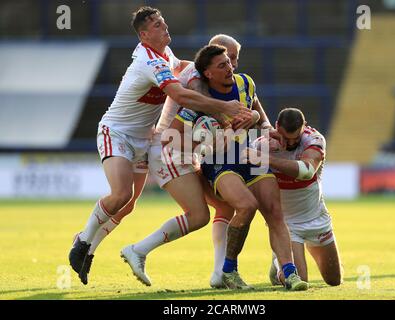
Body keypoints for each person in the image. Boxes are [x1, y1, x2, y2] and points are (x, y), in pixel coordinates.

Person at [68, 6, 250, 285]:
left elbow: (179, 67)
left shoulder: (164, 56)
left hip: (145, 138)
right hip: (117, 132)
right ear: (144, 34)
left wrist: (207, 68)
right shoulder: (148, 61)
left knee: (127, 205)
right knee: (120, 195)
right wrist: (223, 105)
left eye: (163, 22)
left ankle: (88, 250)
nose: (164, 26)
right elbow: (179, 93)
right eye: (156, 25)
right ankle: (83, 241)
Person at [122, 45, 308, 291]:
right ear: (208, 74)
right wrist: (204, 142)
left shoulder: (245, 84)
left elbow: (257, 113)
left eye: (229, 63)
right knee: (245, 206)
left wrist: (257, 120)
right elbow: (170, 137)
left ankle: (289, 273)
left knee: (275, 211)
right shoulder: (201, 102)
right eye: (222, 65)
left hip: (250, 156)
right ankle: (228, 270)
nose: (229, 67)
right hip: (220, 163)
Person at [246, 108, 343, 286]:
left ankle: (279, 262)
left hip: (316, 218)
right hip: (287, 225)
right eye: (285, 137)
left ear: (304, 127)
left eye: (295, 138)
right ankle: (280, 264)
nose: (290, 143)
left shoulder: (314, 139)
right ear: (276, 127)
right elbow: (255, 185)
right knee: (301, 279)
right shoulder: (261, 145)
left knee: (334, 280)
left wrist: (266, 159)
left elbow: (306, 171)